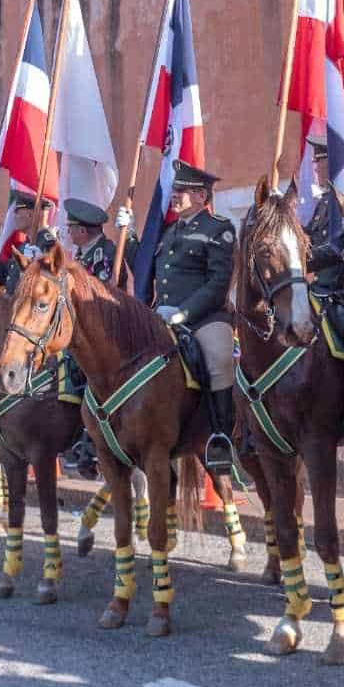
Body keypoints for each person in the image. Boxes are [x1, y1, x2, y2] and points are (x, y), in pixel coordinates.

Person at [145, 160, 236, 469]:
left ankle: (221, 438)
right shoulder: (168, 233)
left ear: (201, 196)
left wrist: (184, 313)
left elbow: (218, 284)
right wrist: (130, 238)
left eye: (181, 191)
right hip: (162, 316)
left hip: (205, 318)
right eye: (174, 190)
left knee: (220, 360)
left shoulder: (218, 229)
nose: (175, 195)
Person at [60, 197, 132, 477]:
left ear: (82, 231)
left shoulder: (106, 252)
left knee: (88, 376)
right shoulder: (83, 254)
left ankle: (89, 444)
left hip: (106, 333)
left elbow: (97, 295)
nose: (68, 233)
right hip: (83, 332)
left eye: (71, 228)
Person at [0, 189, 58, 294]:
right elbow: (3, 278)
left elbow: (49, 285)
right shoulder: (24, 245)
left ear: (30, 215)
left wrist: (38, 264)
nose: (13, 217)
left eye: (17, 212)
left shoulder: (47, 244)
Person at [63, 198, 132, 287]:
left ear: (82, 231)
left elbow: (99, 294)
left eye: (70, 227)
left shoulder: (106, 255)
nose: (68, 231)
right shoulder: (84, 249)